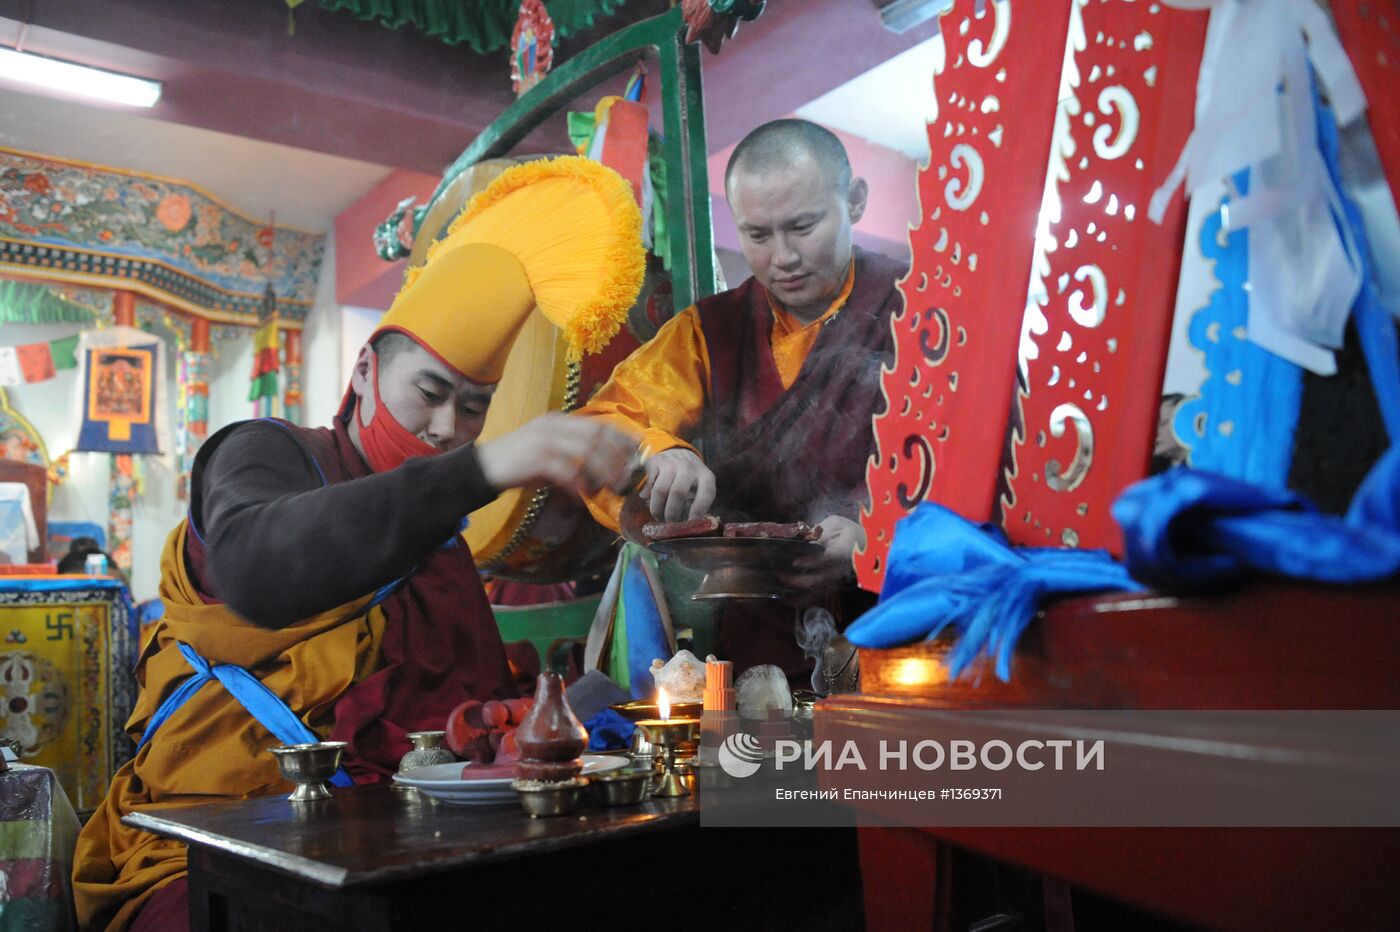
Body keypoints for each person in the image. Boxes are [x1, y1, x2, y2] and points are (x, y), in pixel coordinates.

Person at [73, 157, 647, 932]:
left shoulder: (439, 532)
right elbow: (254, 569)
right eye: (431, 395)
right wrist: (485, 465)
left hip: (411, 837)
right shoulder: (267, 451)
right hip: (228, 837)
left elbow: (457, 719)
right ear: (367, 370)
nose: (447, 430)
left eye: (475, 411)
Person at [576, 119, 908, 676]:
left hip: (903, 627)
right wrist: (659, 451)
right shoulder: (710, 332)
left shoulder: (918, 308)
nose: (784, 258)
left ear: (853, 202)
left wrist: (879, 541)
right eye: (757, 235)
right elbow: (597, 430)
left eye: (803, 226)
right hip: (759, 644)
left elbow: (981, 475)